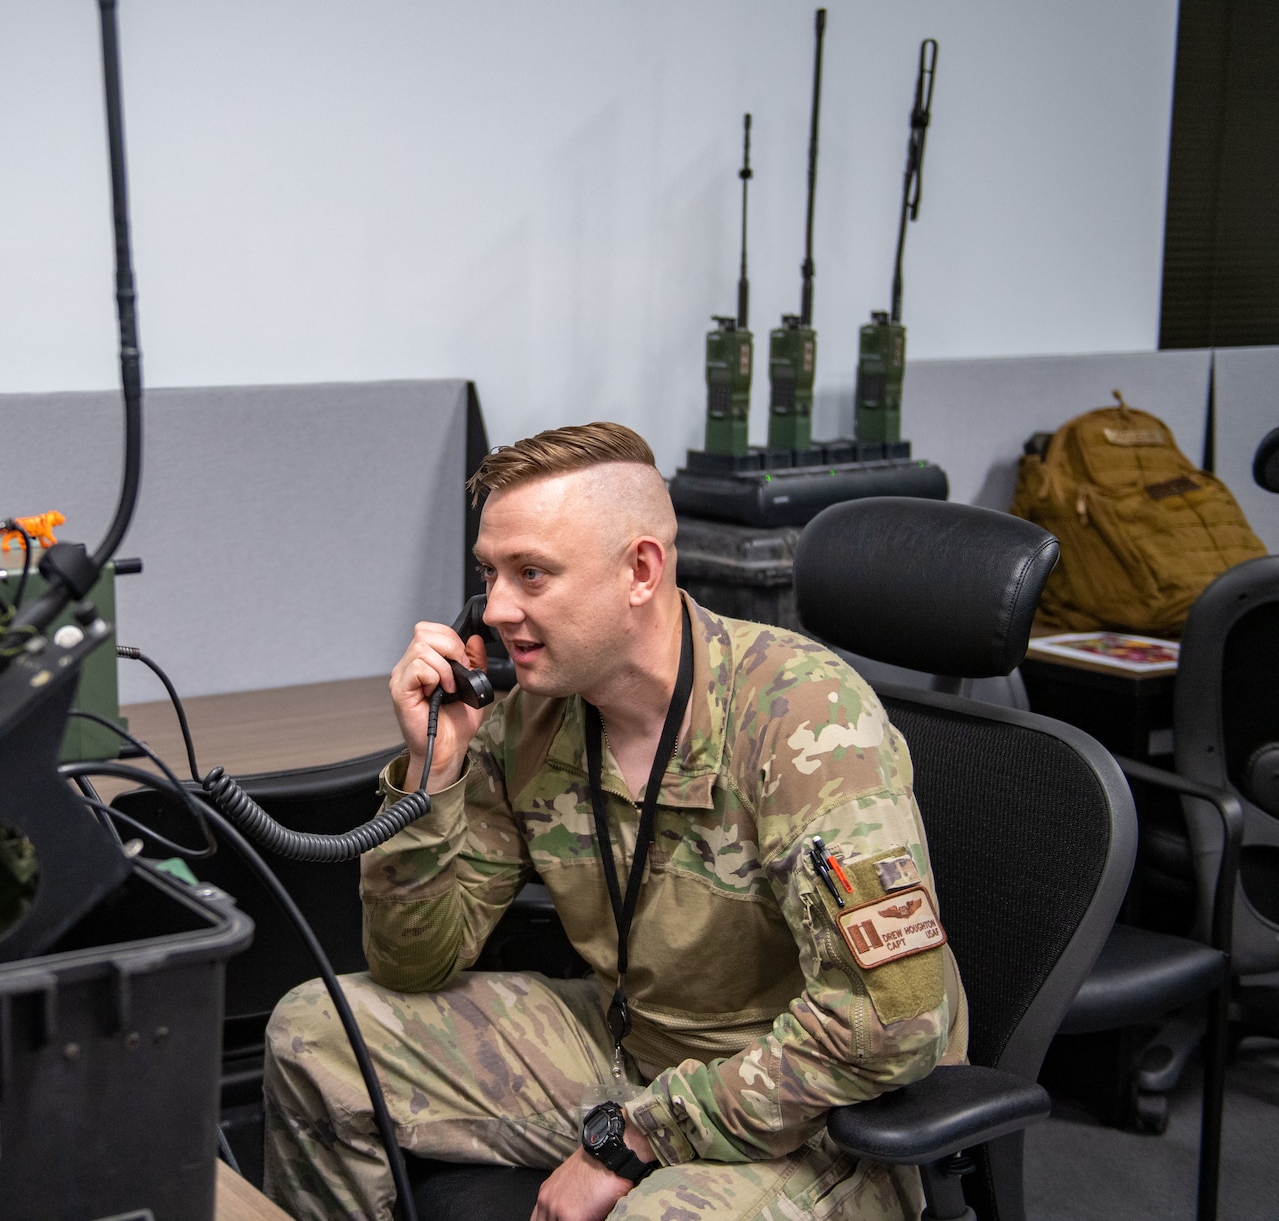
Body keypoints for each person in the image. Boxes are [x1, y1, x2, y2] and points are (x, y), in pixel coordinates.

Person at [262, 422, 967, 1221]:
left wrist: (636, 1136)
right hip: (630, 1047)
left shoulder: (806, 718)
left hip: (818, 1105)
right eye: (489, 573)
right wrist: (435, 771)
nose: (495, 608)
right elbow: (412, 965)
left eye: (532, 573)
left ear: (639, 570)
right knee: (316, 1036)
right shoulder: (533, 715)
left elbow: (891, 1023)